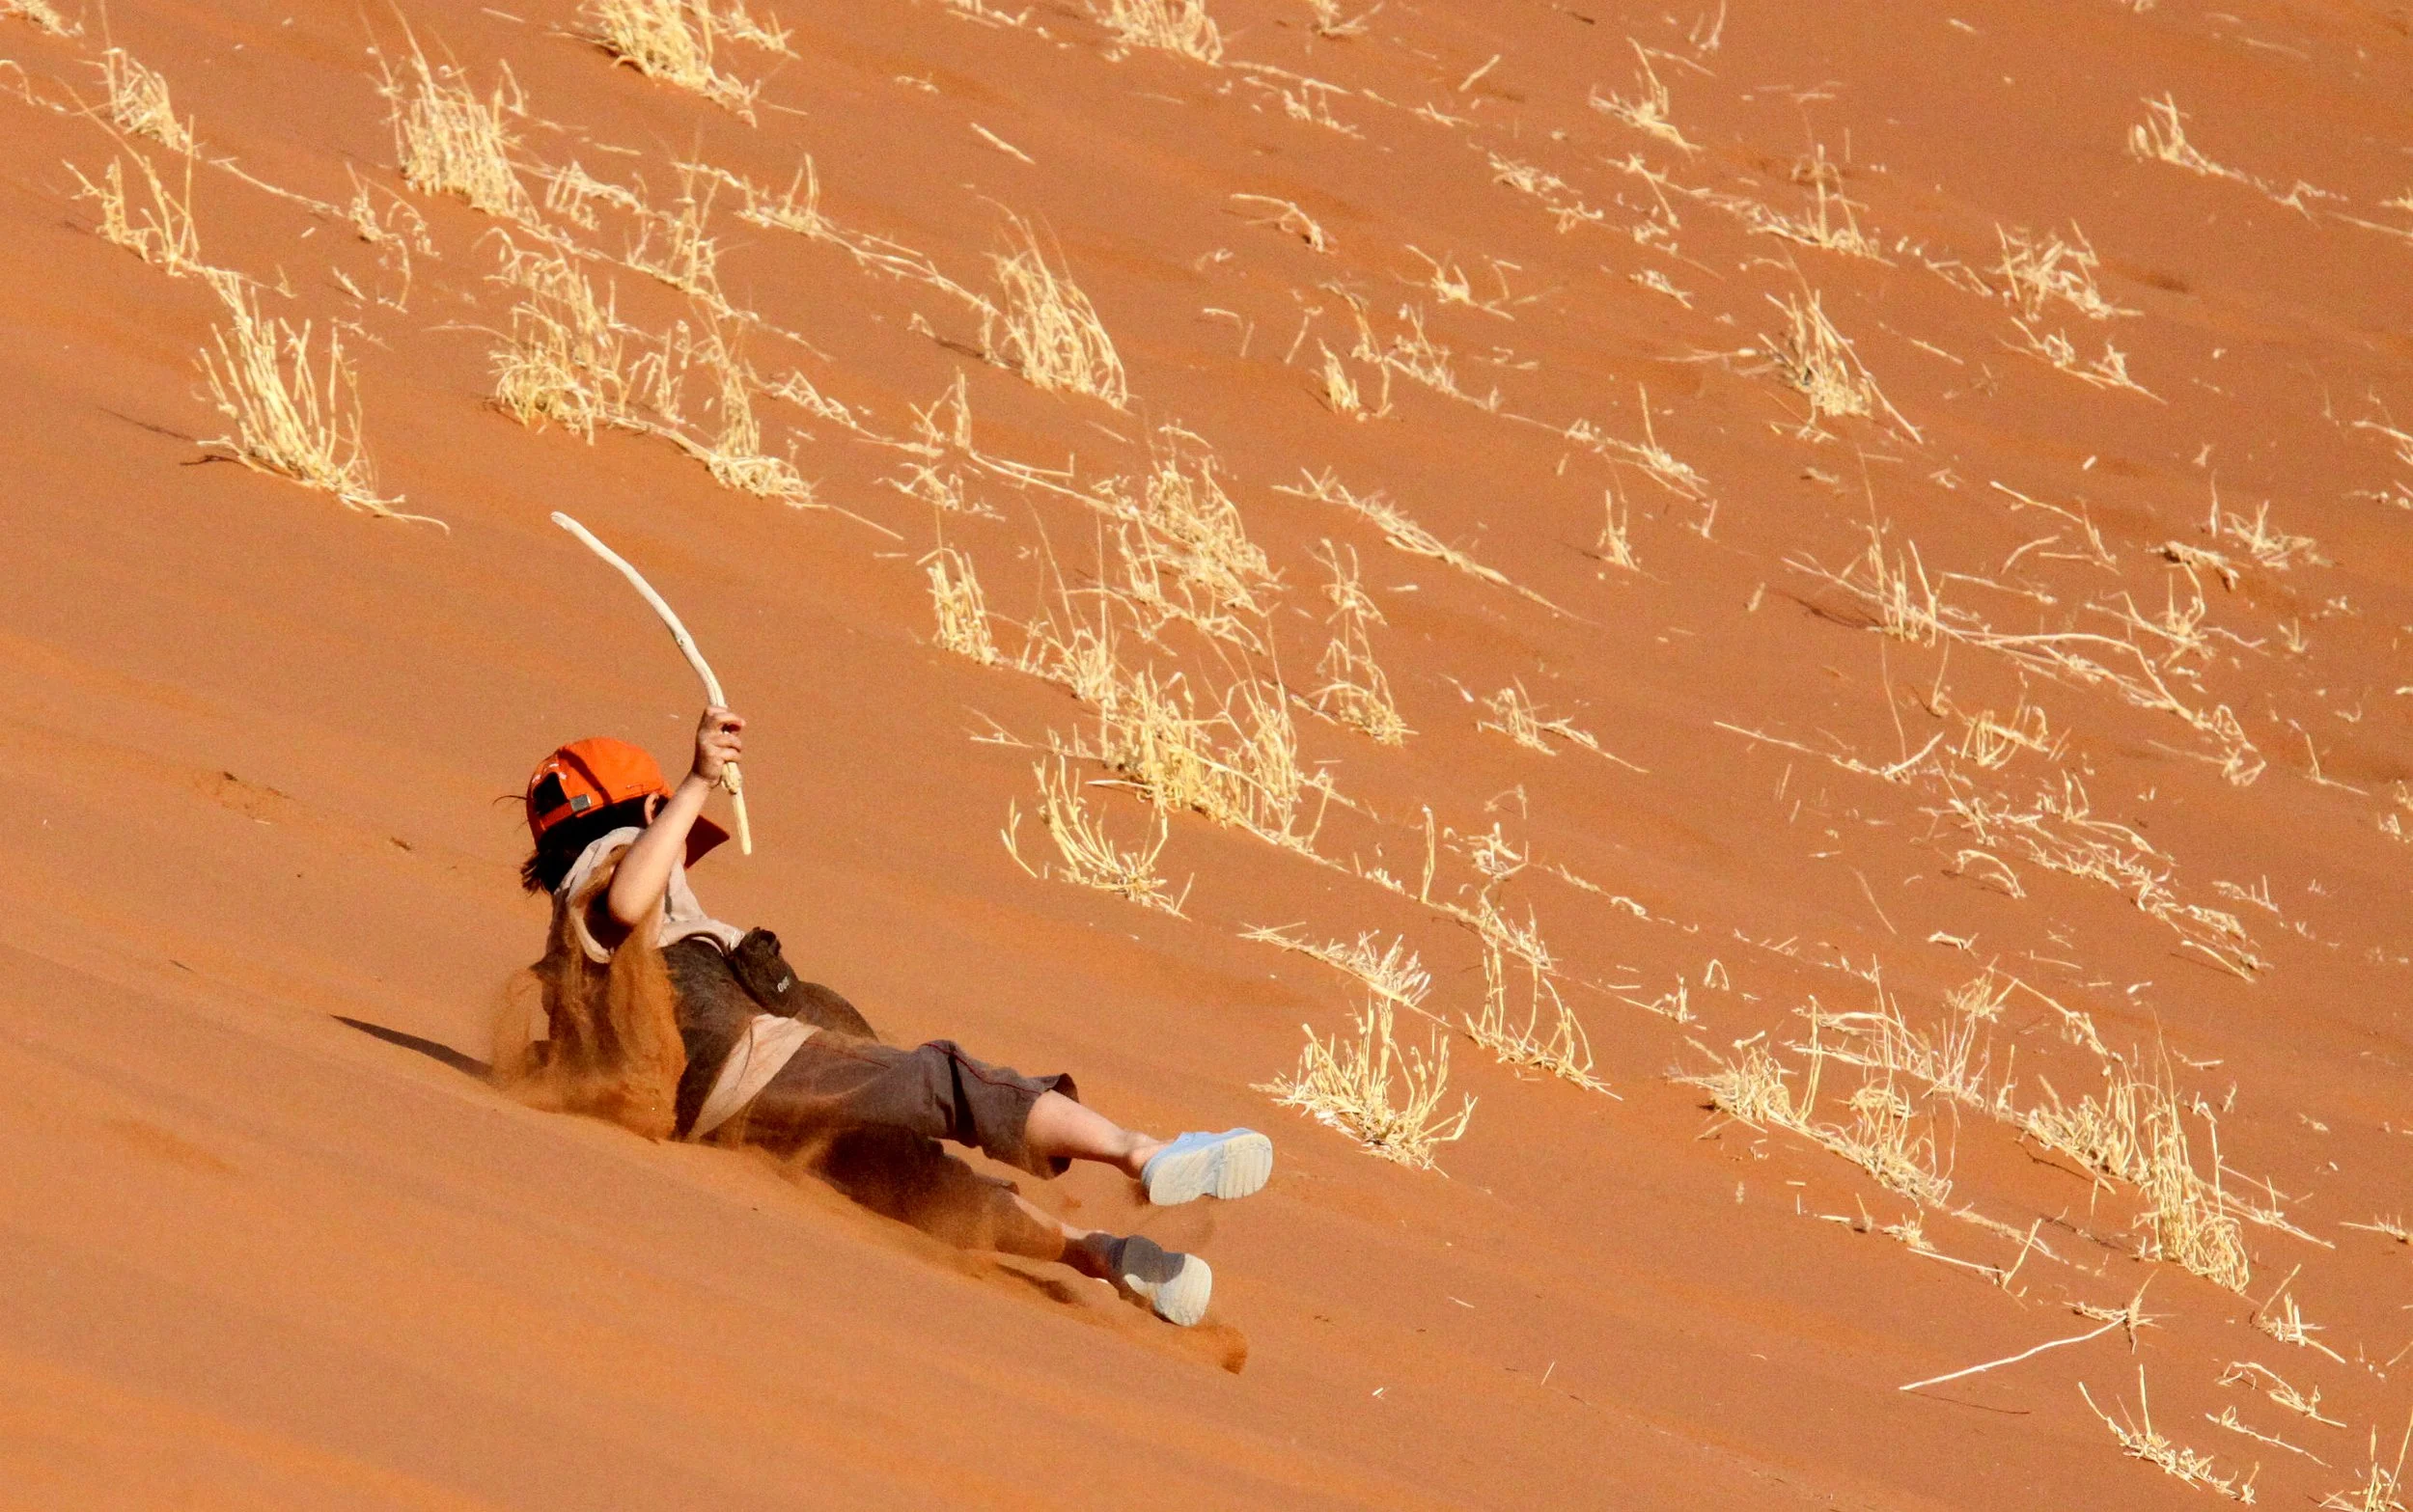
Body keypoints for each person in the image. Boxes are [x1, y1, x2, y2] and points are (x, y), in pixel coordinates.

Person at [501, 705, 1270, 1327]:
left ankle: (1102, 1255)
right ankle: (1144, 1152)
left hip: (724, 1109)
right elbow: (629, 900)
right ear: (639, 811)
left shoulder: (565, 947)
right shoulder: (614, 859)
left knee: (914, 1181)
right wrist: (698, 782)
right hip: (747, 1059)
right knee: (946, 1080)